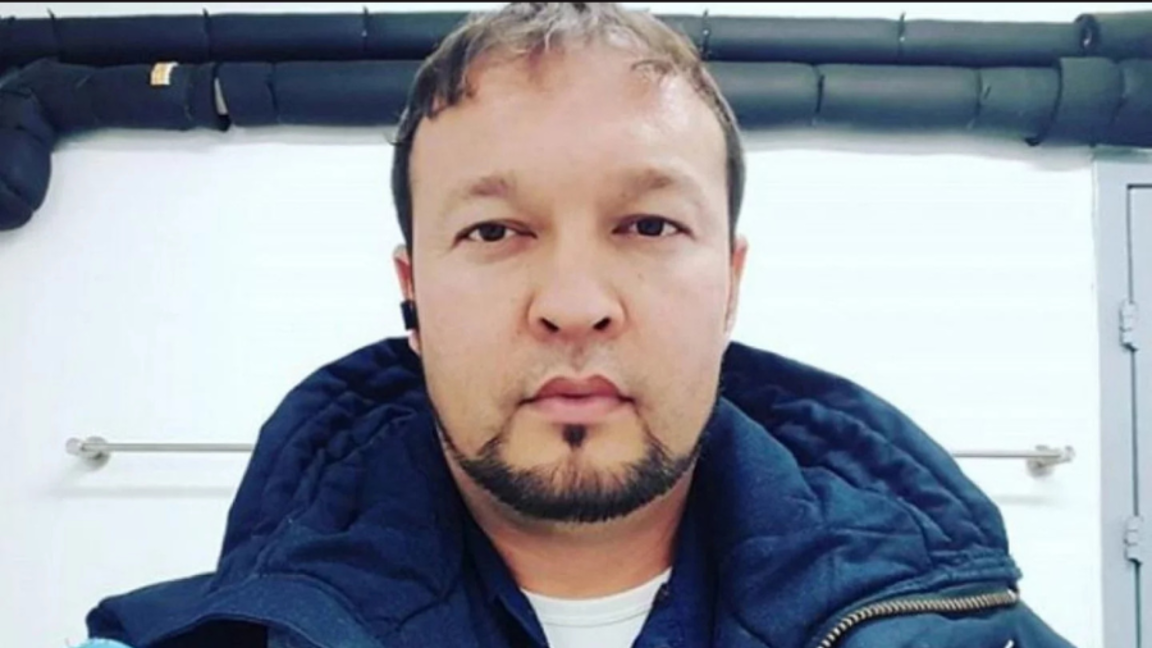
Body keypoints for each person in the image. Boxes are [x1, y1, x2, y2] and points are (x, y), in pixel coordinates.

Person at [82, 3, 1078, 647]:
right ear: (413, 296)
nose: (572, 302)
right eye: (494, 230)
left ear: (730, 285)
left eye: (648, 225)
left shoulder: (977, 636)